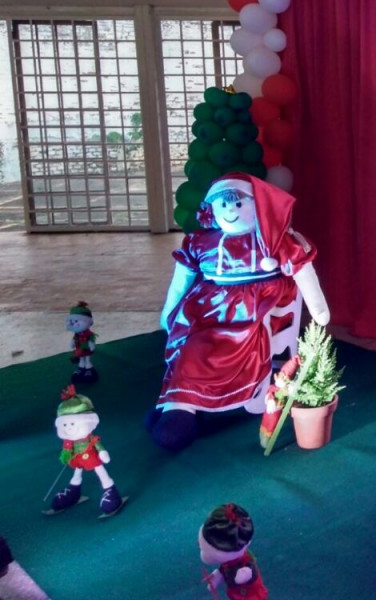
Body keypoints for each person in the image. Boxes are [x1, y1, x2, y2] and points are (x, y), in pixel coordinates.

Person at [147, 173, 330, 451]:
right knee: (188, 339)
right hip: (207, 309)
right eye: (223, 205)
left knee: (226, 343)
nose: (230, 211)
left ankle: (184, 405)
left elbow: (302, 268)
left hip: (255, 310)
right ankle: (179, 403)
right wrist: (170, 309)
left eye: (238, 204)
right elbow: (182, 276)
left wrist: (318, 309)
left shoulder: (273, 241)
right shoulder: (201, 242)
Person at [48, 386, 125, 517]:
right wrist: (66, 454)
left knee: (100, 471)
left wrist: (102, 453)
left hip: (91, 456)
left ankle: (110, 491)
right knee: (77, 472)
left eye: (72, 424)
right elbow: (67, 448)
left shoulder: (90, 438)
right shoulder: (69, 442)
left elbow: (97, 445)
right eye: (65, 425)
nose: (69, 428)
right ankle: (73, 491)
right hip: (77, 458)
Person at [199, 503, 268, 600]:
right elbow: (223, 569)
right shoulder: (228, 562)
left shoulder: (245, 560)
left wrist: (245, 574)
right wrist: (216, 577)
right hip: (236, 593)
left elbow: (252, 570)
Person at [66, 301, 98, 384]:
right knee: (81, 359)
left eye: (76, 321)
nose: (74, 324)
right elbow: (75, 338)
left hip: (86, 349)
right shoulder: (77, 334)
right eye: (72, 322)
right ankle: (81, 369)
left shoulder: (88, 334)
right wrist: (73, 342)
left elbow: (91, 339)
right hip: (79, 349)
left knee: (87, 359)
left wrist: (91, 344)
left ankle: (88, 369)